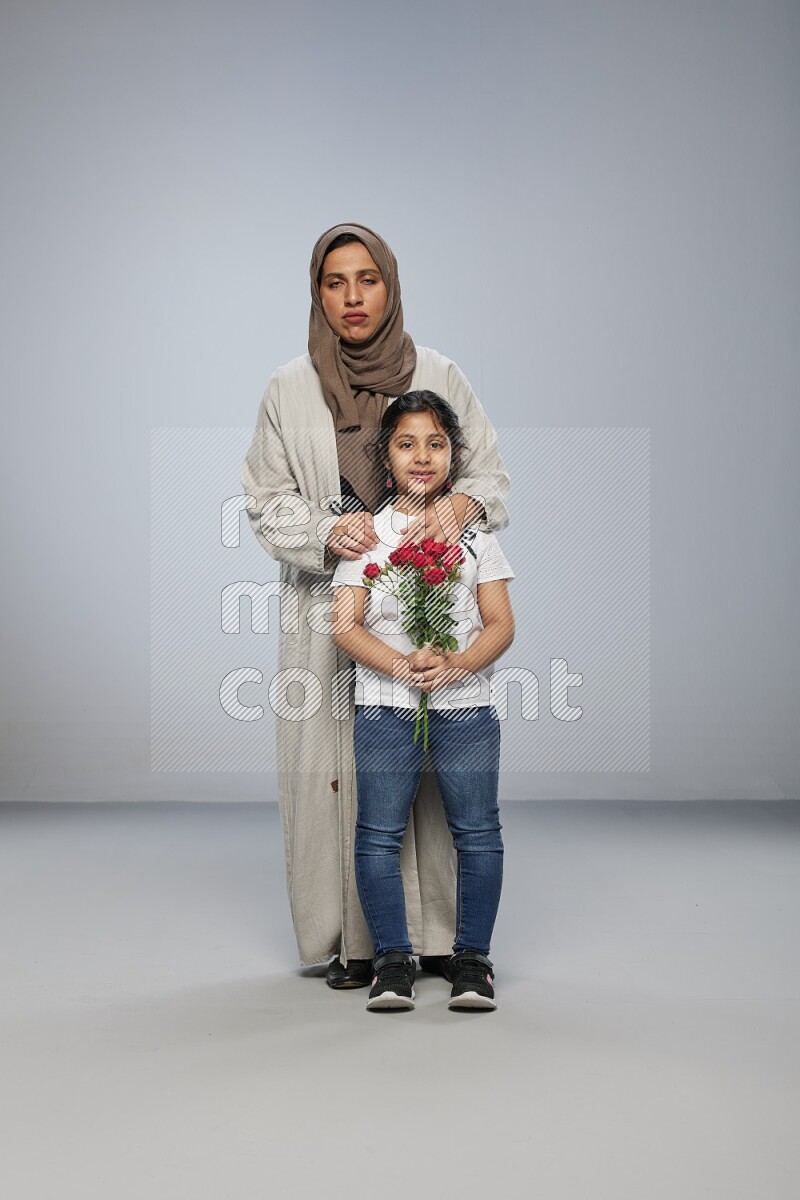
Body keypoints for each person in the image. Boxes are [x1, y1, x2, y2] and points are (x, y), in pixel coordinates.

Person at [241, 222, 510, 987]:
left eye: (368, 280)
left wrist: (459, 511)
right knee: (338, 769)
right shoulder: (288, 387)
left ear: (391, 286)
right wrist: (330, 530)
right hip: (329, 603)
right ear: (317, 293)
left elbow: (489, 476)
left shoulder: (439, 372)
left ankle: (435, 940)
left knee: (431, 756)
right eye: (334, 282)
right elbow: (264, 502)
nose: (353, 298)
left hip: (428, 596)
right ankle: (362, 946)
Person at [331, 390, 515, 1010]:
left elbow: (500, 623)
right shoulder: (367, 536)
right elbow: (346, 624)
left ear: (453, 459)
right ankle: (392, 961)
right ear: (387, 458)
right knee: (378, 834)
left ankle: (472, 961)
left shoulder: (473, 536)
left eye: (436, 444)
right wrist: (401, 665)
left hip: (465, 707)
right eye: (407, 443)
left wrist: (459, 663)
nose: (422, 456)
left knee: (478, 831)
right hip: (385, 705)